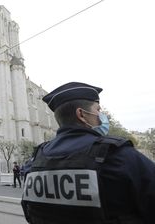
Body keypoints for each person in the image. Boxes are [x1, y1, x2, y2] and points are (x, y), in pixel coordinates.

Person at [21, 82, 155, 224]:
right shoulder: (121, 157)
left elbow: (30, 213)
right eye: (98, 110)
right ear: (81, 114)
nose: (101, 115)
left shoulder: (34, 164)